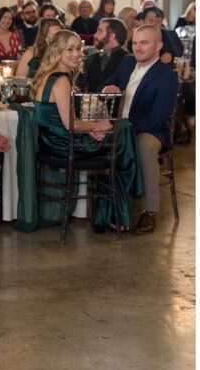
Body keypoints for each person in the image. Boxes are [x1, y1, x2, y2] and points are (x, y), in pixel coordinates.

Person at [31, 30, 140, 231]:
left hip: (53, 141)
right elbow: (70, 124)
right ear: (57, 51)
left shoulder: (49, 75)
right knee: (123, 132)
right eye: (70, 49)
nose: (77, 53)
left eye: (78, 48)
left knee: (119, 139)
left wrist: (90, 130)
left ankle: (113, 213)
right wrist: (97, 126)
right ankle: (118, 210)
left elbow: (64, 120)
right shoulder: (61, 80)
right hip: (65, 145)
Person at [104, 25, 179, 235]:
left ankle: (149, 211)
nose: (137, 48)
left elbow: (156, 120)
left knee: (144, 146)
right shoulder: (127, 63)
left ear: (159, 46)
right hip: (118, 126)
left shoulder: (166, 76)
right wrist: (107, 89)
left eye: (144, 43)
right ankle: (107, 207)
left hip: (150, 131)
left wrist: (124, 129)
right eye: (135, 43)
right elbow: (108, 83)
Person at [81, 18, 128, 92]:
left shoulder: (127, 60)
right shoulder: (92, 58)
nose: (95, 35)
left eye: (100, 31)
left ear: (111, 36)